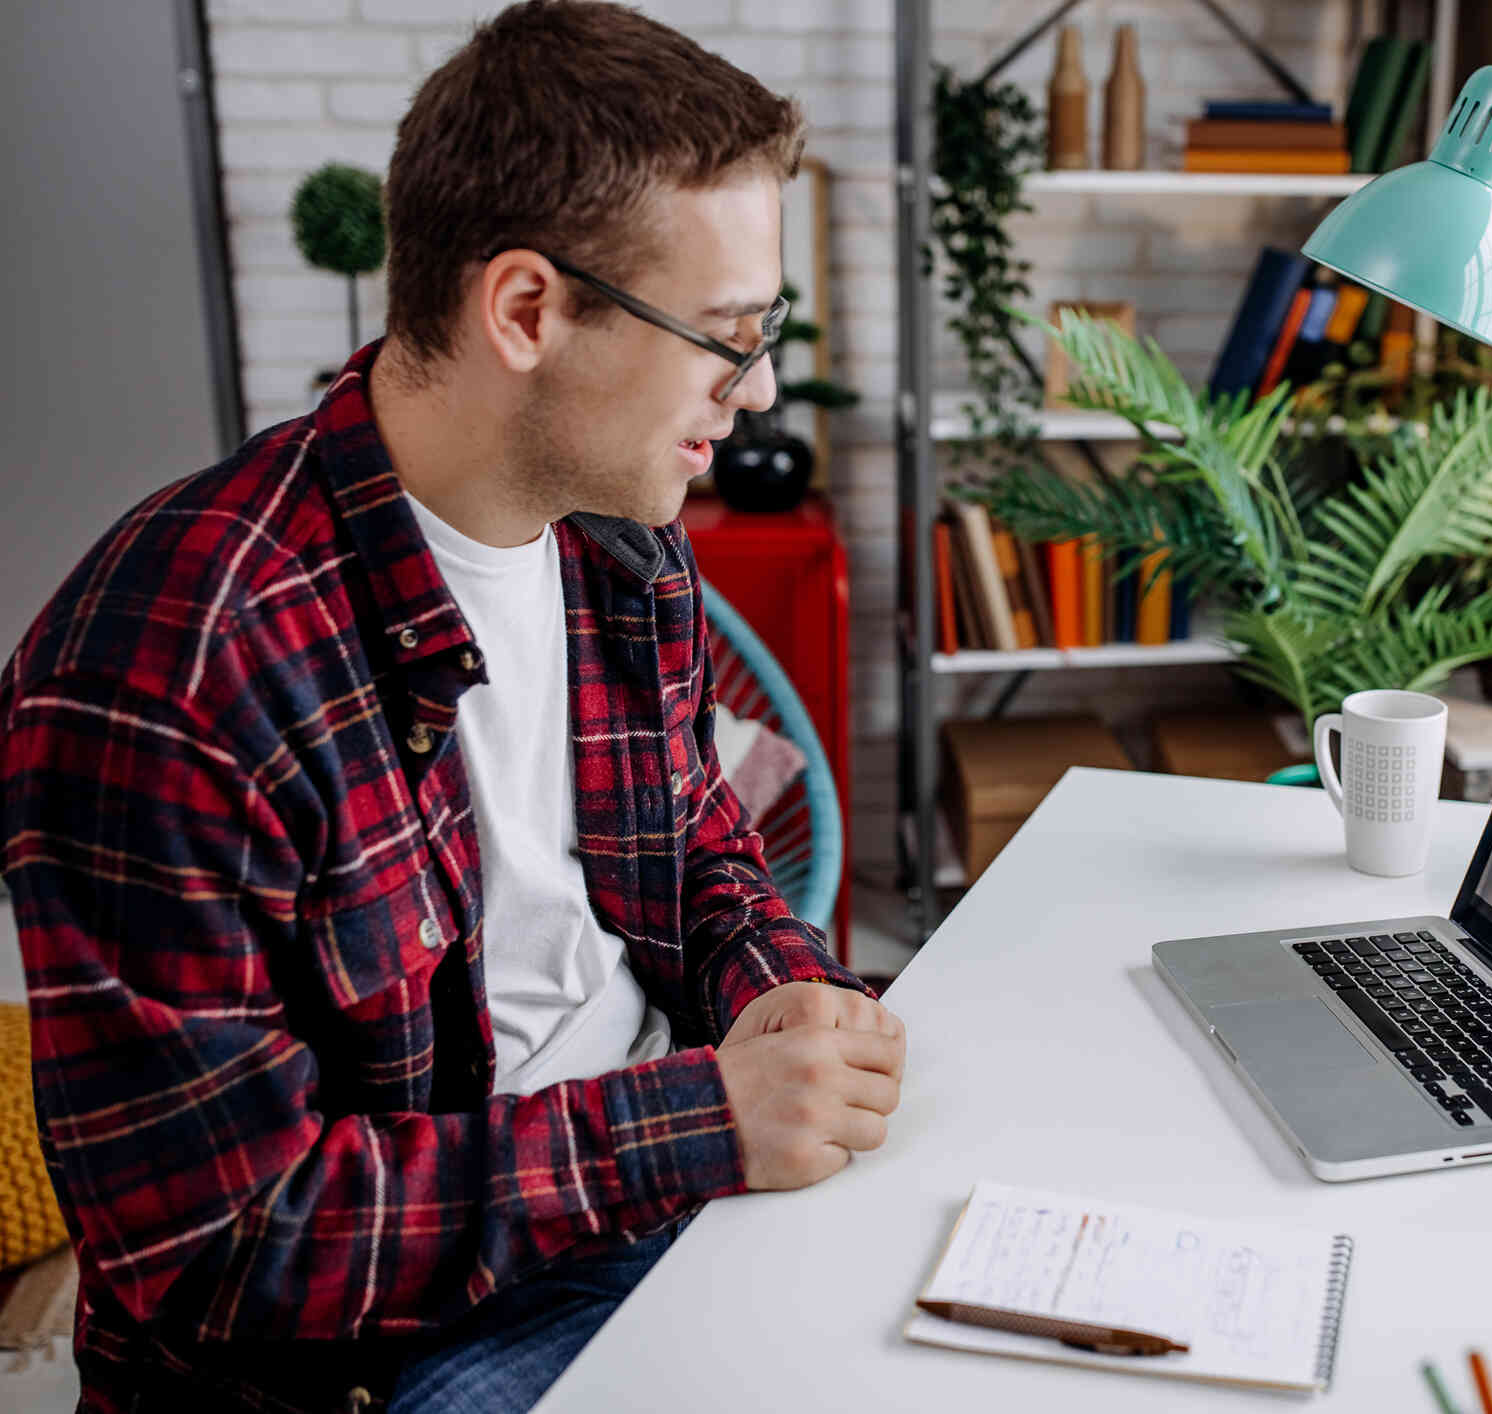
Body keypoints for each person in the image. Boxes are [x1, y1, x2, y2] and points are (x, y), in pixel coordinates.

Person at [0, 5, 905, 1409]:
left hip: (660, 1191)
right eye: (724, 334)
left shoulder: (619, 528)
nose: (761, 385)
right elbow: (222, 1244)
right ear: (527, 311)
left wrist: (778, 989)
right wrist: (695, 1123)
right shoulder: (168, 666)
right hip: (378, 1347)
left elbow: (696, 840)